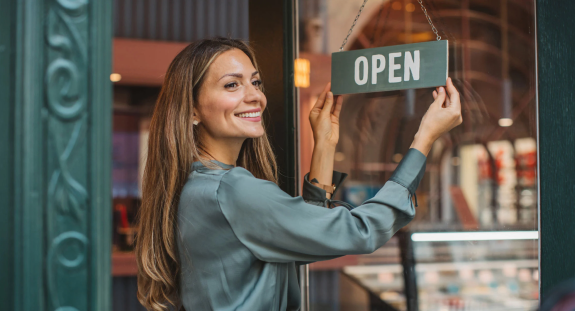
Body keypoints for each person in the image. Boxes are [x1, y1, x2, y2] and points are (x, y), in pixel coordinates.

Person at [135, 37, 462, 311]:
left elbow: (308, 235)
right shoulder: (233, 191)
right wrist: (424, 140)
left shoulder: (196, 185)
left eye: (255, 81)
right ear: (192, 109)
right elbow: (361, 231)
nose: (255, 96)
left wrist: (324, 145)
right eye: (232, 84)